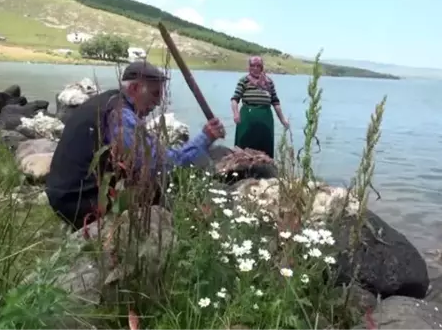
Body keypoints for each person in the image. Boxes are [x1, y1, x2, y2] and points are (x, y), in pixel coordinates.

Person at [46, 61, 226, 231]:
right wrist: (204, 138)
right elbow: (159, 163)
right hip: (78, 201)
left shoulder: (108, 101)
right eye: (155, 94)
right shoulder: (119, 115)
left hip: (64, 194)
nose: (157, 103)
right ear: (134, 88)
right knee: (157, 184)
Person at [230, 56, 289, 159]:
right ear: (249, 67)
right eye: (253, 66)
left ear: (262, 67)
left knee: (265, 148)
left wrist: (283, 120)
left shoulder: (269, 82)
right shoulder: (243, 81)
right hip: (247, 118)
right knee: (244, 147)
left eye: (258, 66)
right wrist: (236, 114)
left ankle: (265, 171)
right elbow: (235, 99)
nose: (256, 68)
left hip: (265, 119)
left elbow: (275, 102)